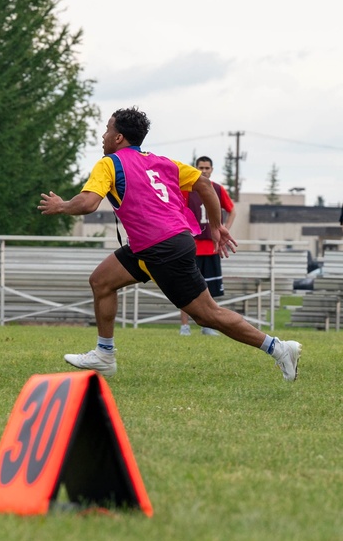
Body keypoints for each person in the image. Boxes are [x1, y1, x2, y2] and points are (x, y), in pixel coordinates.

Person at [38, 107, 302, 381]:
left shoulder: (110, 163)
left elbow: (89, 203)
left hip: (161, 248)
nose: (103, 135)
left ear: (118, 138)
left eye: (107, 129)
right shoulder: (163, 162)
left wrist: (62, 206)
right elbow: (205, 185)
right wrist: (215, 225)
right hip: (159, 244)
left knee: (208, 315)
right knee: (101, 281)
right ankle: (104, 354)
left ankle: (280, 349)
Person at [179, 155, 237, 336]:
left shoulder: (218, 189)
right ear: (195, 169)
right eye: (200, 168)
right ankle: (185, 326)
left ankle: (208, 326)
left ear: (212, 169)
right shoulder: (188, 189)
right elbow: (179, 209)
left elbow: (232, 210)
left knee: (208, 290)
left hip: (211, 246)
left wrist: (223, 229)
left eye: (207, 168)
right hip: (192, 245)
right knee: (187, 287)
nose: (204, 171)